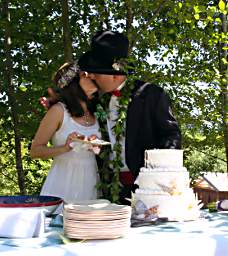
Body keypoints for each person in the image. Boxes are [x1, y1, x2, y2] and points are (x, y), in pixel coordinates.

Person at [41, 30, 182, 204]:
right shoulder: (98, 100)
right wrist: (55, 100)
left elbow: (171, 136)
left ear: (114, 73)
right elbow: (72, 104)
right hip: (107, 190)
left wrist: (162, 179)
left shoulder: (151, 95)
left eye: (96, 72)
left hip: (148, 189)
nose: (91, 76)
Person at [30, 62, 101, 212]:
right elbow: (35, 151)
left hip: (91, 182)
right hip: (63, 183)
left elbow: (99, 152)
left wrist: (96, 147)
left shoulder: (96, 111)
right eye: (85, 75)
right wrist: (65, 147)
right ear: (74, 84)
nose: (92, 77)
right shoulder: (58, 111)